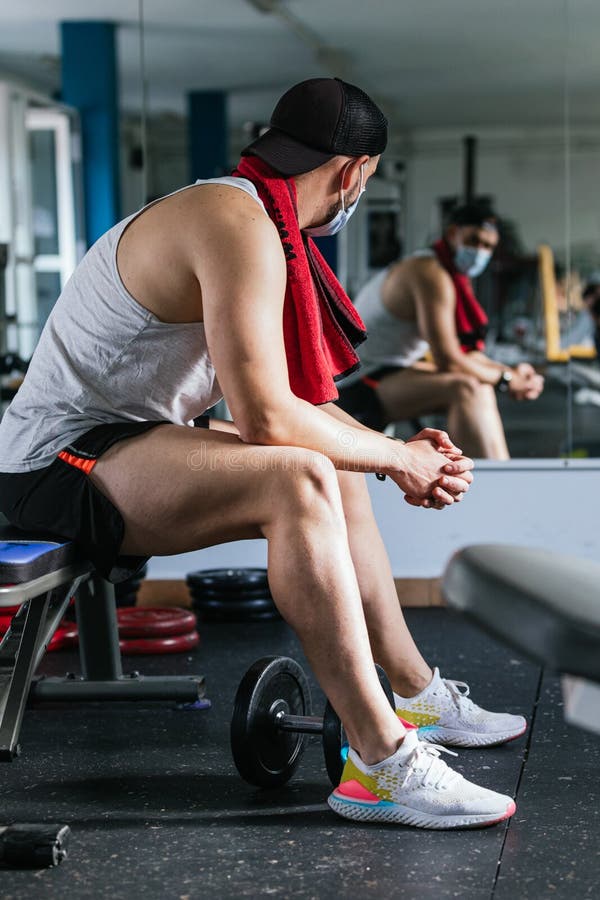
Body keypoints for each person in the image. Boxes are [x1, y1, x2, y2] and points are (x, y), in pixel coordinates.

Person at [0, 78, 522, 829]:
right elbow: (269, 418)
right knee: (298, 476)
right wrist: (396, 458)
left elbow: (301, 405)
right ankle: (380, 763)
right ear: (355, 174)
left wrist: (391, 451)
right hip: (55, 462)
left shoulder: (253, 217)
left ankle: (415, 696)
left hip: (121, 438)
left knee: (334, 471)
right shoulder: (239, 226)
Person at [337, 204, 545, 459]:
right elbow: (448, 359)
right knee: (466, 389)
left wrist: (511, 374)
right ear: (452, 233)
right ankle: (498, 485)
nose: (480, 251)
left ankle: (491, 478)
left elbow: (462, 355)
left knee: (476, 384)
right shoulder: (430, 273)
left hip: (389, 370)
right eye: (473, 241)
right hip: (355, 385)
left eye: (488, 247)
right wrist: (507, 380)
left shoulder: (445, 273)